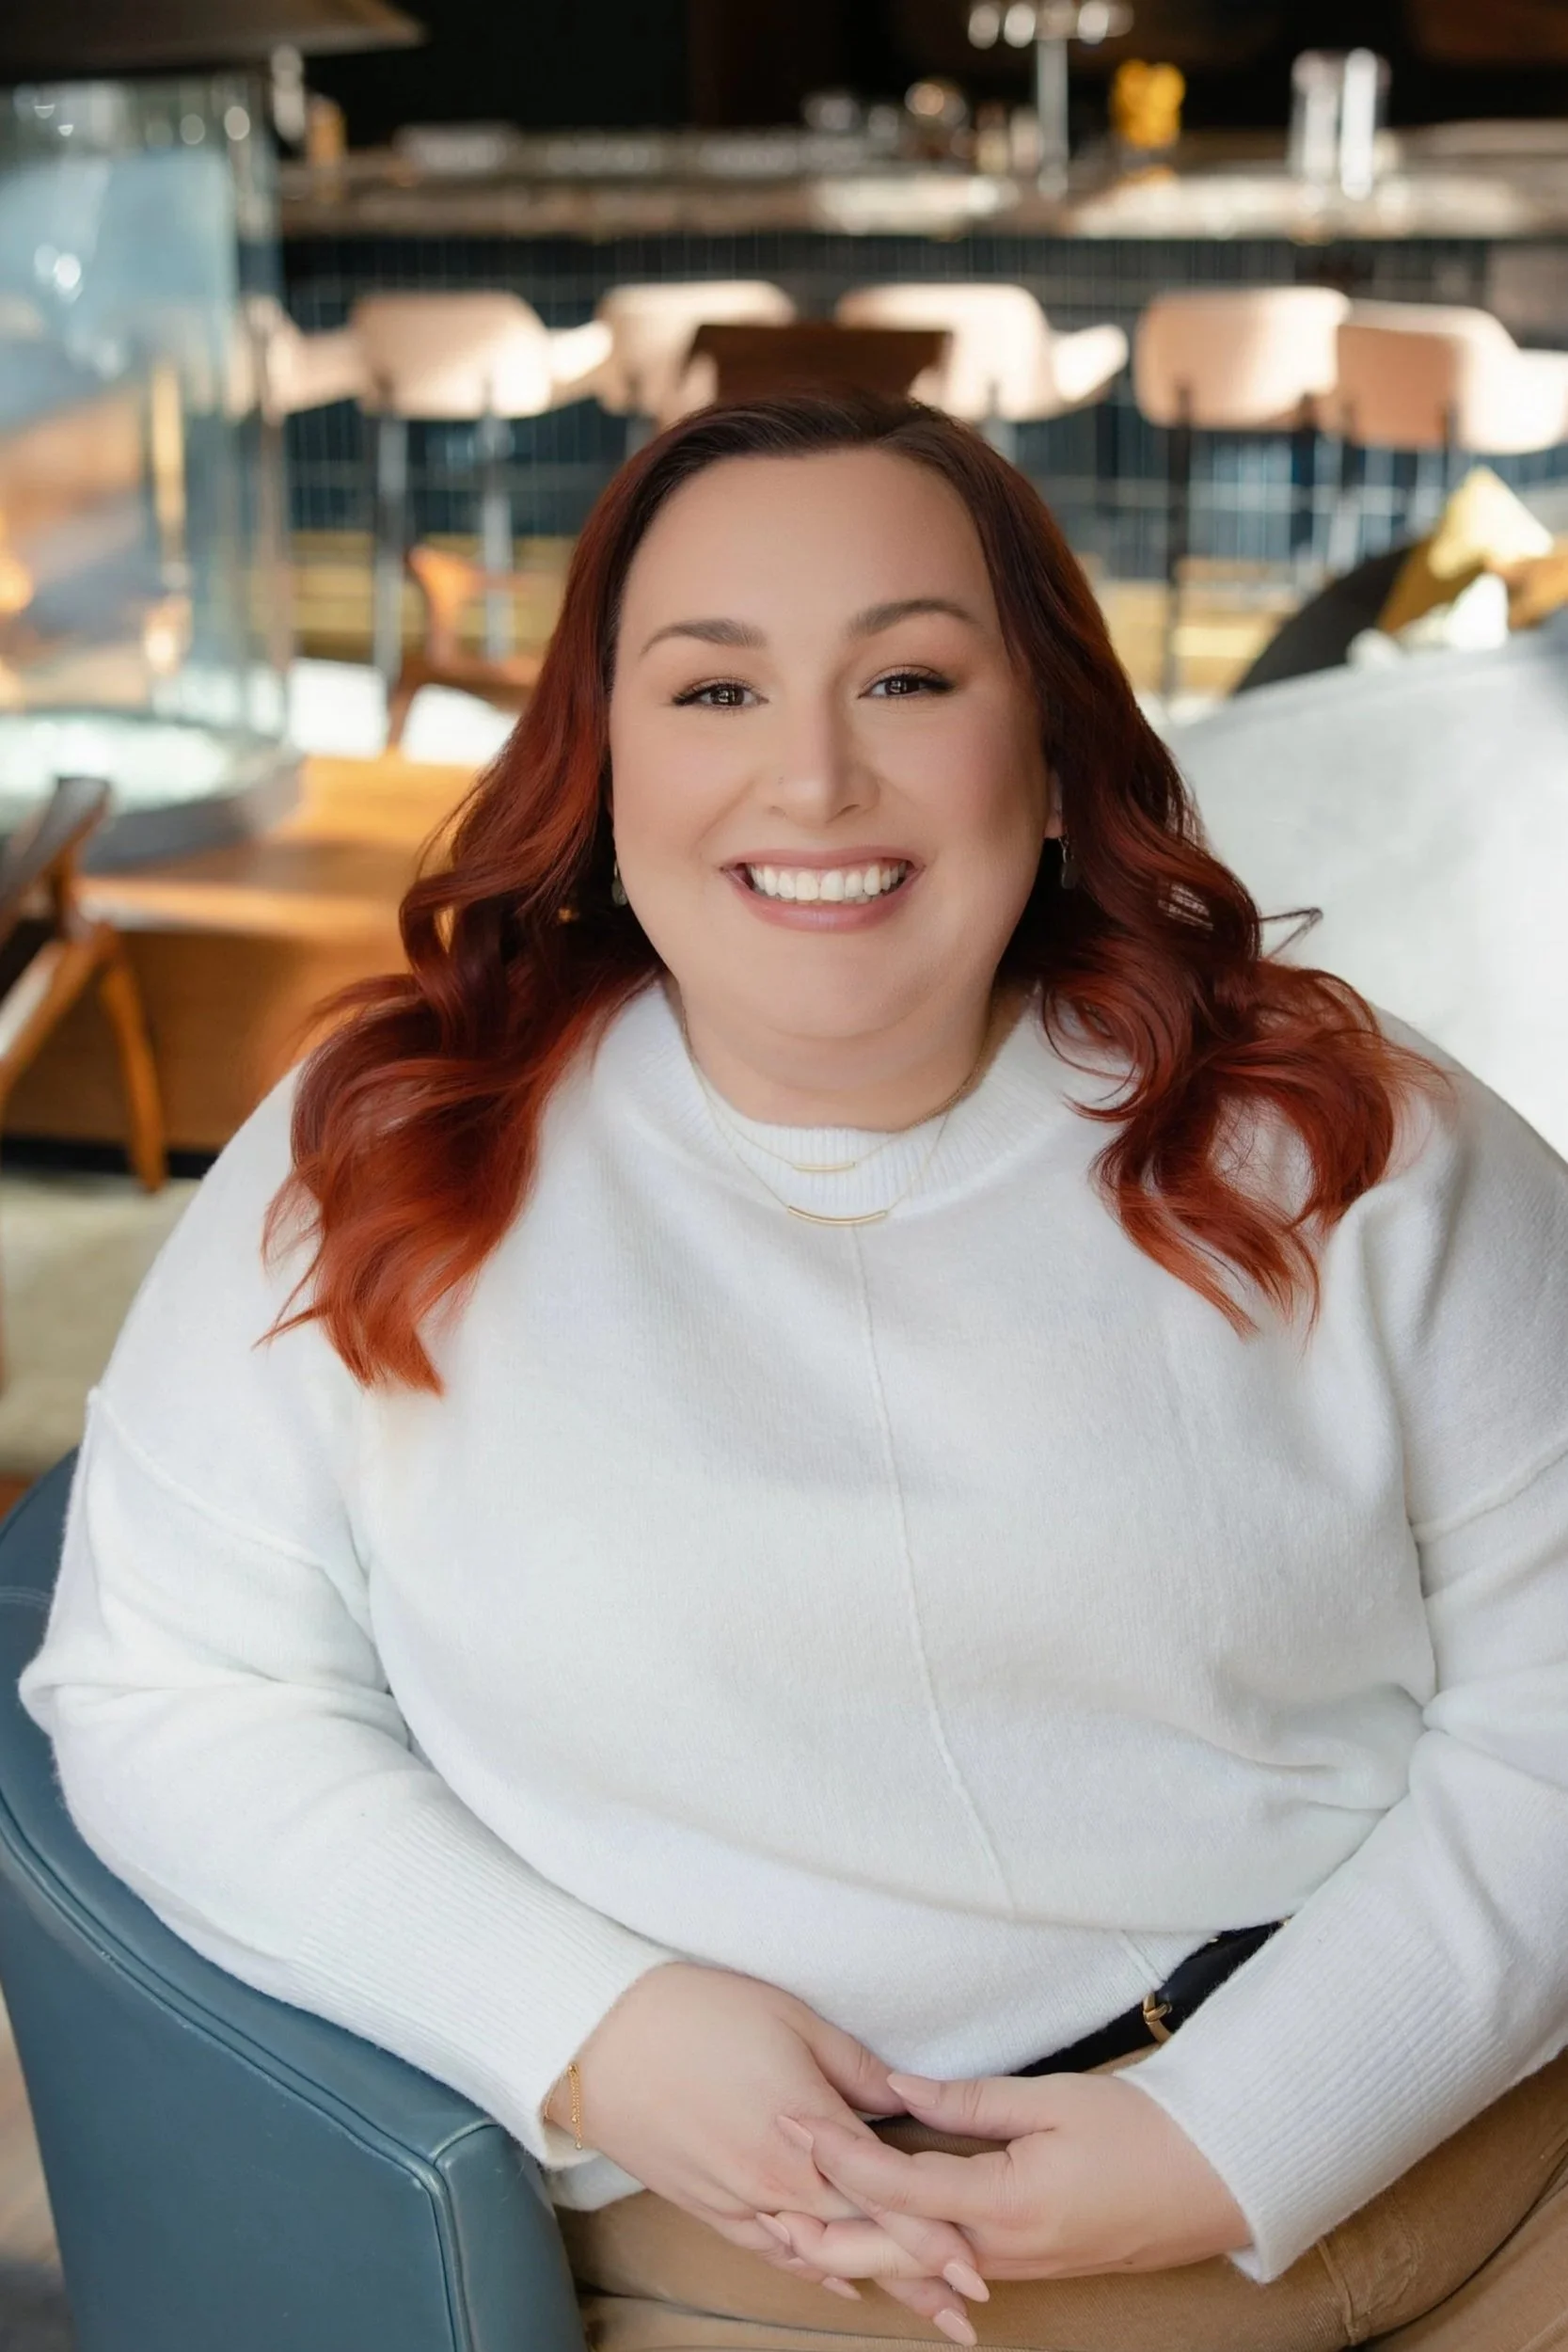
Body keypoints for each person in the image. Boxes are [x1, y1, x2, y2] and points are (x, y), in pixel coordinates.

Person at [18, 390, 1568, 2352]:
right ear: (597, 765)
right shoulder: (384, 1149)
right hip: (802, 2276)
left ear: (1052, 748)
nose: (814, 780)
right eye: (713, 692)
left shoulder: (1357, 1135)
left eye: (907, 676)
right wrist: (591, 2030)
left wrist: (1233, 2134)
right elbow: (169, 1684)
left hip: (1475, 2183)